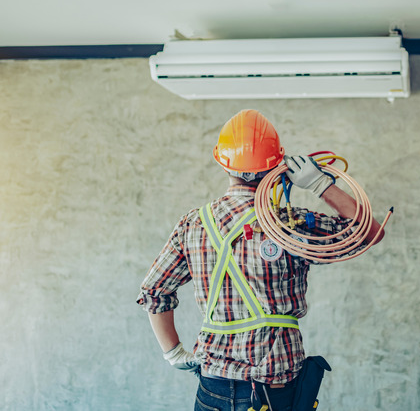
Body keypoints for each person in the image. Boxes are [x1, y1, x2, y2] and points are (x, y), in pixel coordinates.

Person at [136, 109, 385, 411]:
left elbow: (154, 292)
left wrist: (173, 353)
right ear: (278, 162)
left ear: (221, 160)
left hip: (211, 385)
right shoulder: (289, 224)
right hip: (272, 390)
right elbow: (369, 232)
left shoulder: (193, 225)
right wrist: (320, 184)